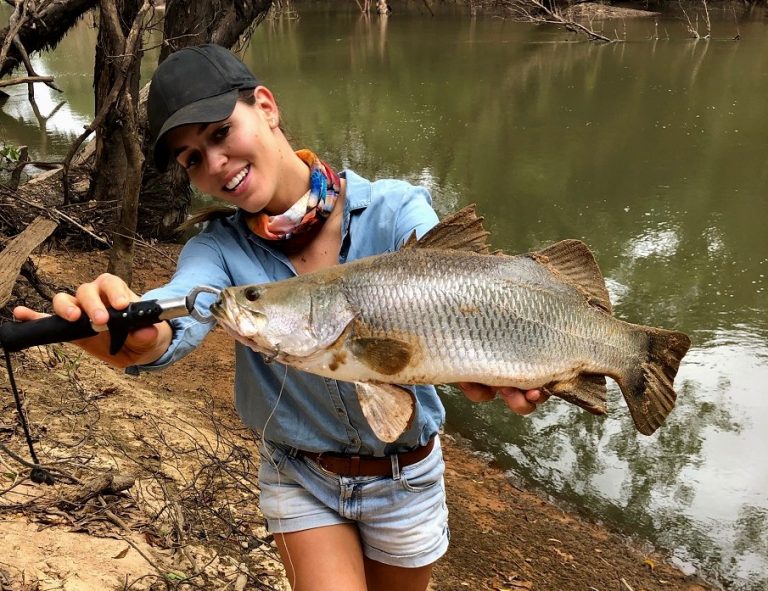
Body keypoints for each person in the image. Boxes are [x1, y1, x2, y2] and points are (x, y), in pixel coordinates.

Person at [14, 44, 548, 591]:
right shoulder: (216, 252)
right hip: (301, 476)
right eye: (192, 158)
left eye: (220, 133)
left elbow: (462, 307)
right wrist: (132, 334)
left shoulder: (396, 212)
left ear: (266, 107)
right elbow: (182, 309)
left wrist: (494, 369)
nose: (215, 163)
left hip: (408, 478)